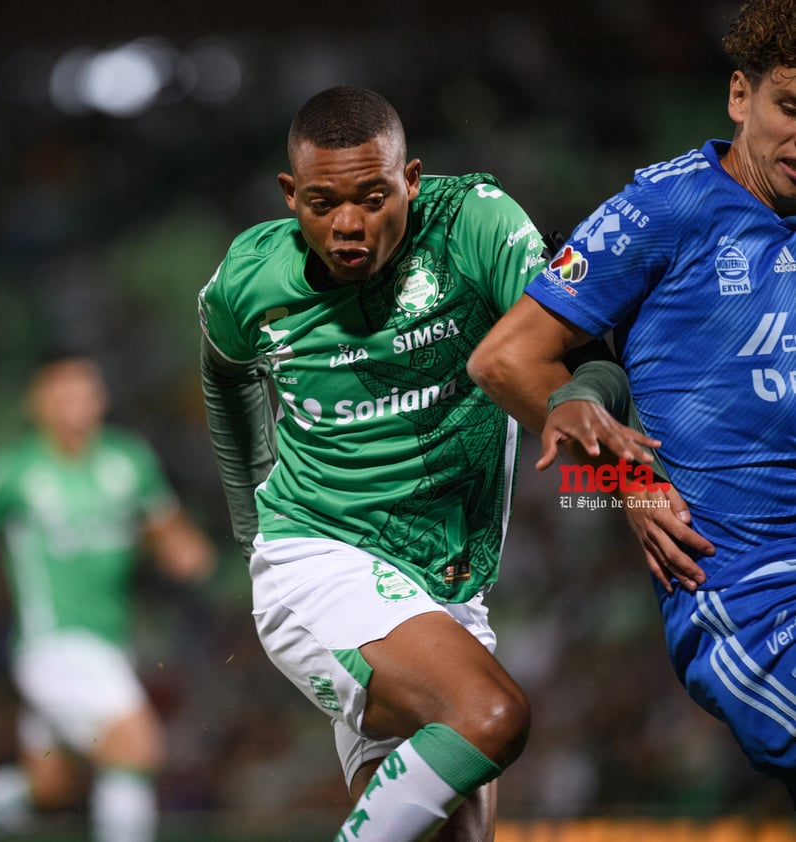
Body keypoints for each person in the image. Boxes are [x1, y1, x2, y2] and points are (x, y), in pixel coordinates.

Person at [197, 84, 668, 841]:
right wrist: (251, 522)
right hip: (321, 559)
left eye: (373, 196)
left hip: (448, 582)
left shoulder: (475, 224)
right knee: (491, 715)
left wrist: (592, 408)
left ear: (411, 178)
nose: (348, 224)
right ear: (290, 194)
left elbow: (585, 356)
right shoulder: (250, 278)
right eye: (322, 203)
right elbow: (225, 375)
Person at [468, 0, 796, 806]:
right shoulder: (666, 209)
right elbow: (507, 358)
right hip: (749, 594)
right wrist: (628, 483)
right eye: (792, 108)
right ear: (739, 96)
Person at [0, 355, 216, 842]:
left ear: (101, 399)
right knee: (136, 749)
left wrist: (185, 550)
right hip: (51, 643)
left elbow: (168, 531)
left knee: (50, 786)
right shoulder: (12, 470)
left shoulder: (128, 460)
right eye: (63, 394)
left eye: (86, 392)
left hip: (110, 643)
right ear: (37, 403)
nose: (77, 405)